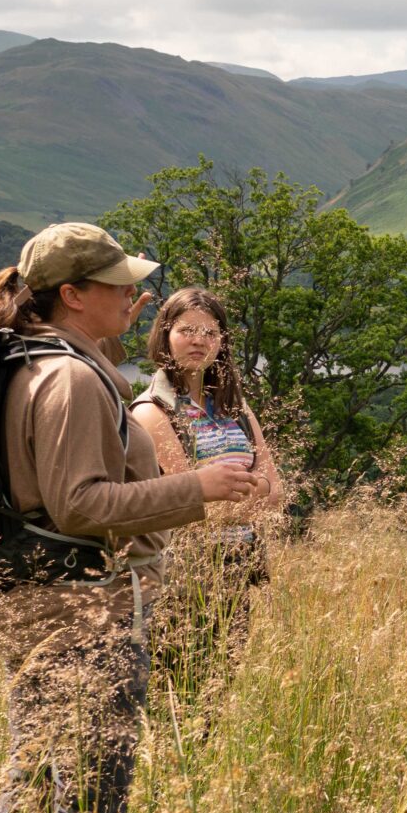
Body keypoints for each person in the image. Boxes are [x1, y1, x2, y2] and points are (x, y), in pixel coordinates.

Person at [0, 225, 263, 813]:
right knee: (91, 791)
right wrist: (200, 487)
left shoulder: (34, 357)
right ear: (73, 294)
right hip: (82, 613)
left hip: (32, 600)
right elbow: (78, 504)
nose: (135, 293)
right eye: (119, 285)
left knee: (39, 764)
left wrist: (108, 334)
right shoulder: (72, 379)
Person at [130, 287, 287, 691]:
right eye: (187, 330)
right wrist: (254, 493)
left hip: (237, 565)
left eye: (210, 333)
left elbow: (278, 490)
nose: (199, 340)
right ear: (164, 334)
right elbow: (189, 508)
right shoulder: (152, 411)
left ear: (222, 341)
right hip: (184, 576)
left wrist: (238, 496)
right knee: (180, 692)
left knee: (218, 690)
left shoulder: (235, 406)